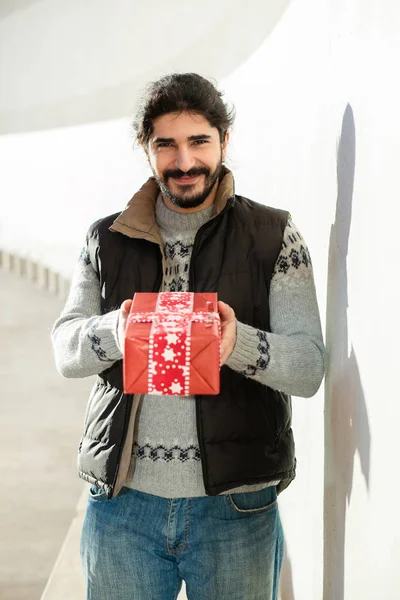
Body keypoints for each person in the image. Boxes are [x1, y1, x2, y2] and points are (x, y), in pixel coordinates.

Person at [51, 72, 327, 600]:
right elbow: (65, 350)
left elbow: (309, 366)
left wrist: (236, 344)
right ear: (146, 148)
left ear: (225, 139)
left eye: (199, 140)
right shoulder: (105, 240)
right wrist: (116, 329)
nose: (184, 163)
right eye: (166, 145)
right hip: (122, 507)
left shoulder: (275, 236)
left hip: (236, 508)